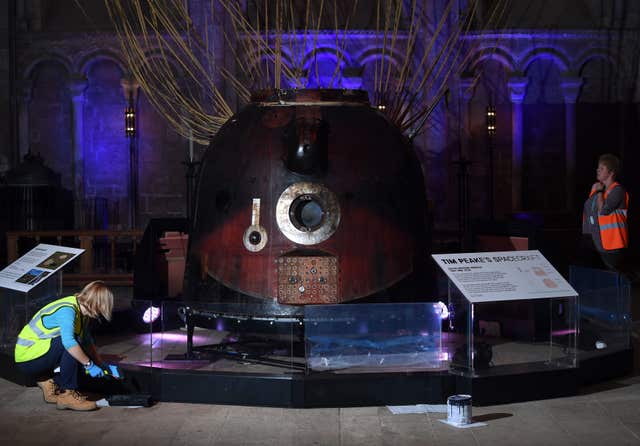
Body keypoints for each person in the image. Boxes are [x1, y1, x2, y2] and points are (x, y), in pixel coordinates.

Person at [14, 281, 117, 411]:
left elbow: (87, 341)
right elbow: (69, 343)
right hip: (27, 358)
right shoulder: (68, 311)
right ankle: (68, 395)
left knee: (78, 348)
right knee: (72, 345)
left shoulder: (82, 312)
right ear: (96, 303)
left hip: (38, 353)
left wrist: (100, 363)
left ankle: (46, 379)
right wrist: (89, 365)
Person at [582, 153, 629, 272]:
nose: (598, 170)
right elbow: (589, 210)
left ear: (611, 172)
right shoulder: (598, 188)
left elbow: (603, 211)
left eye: (602, 168)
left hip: (613, 244)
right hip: (596, 243)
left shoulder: (617, 190)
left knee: (617, 278)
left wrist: (598, 192)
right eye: (598, 167)